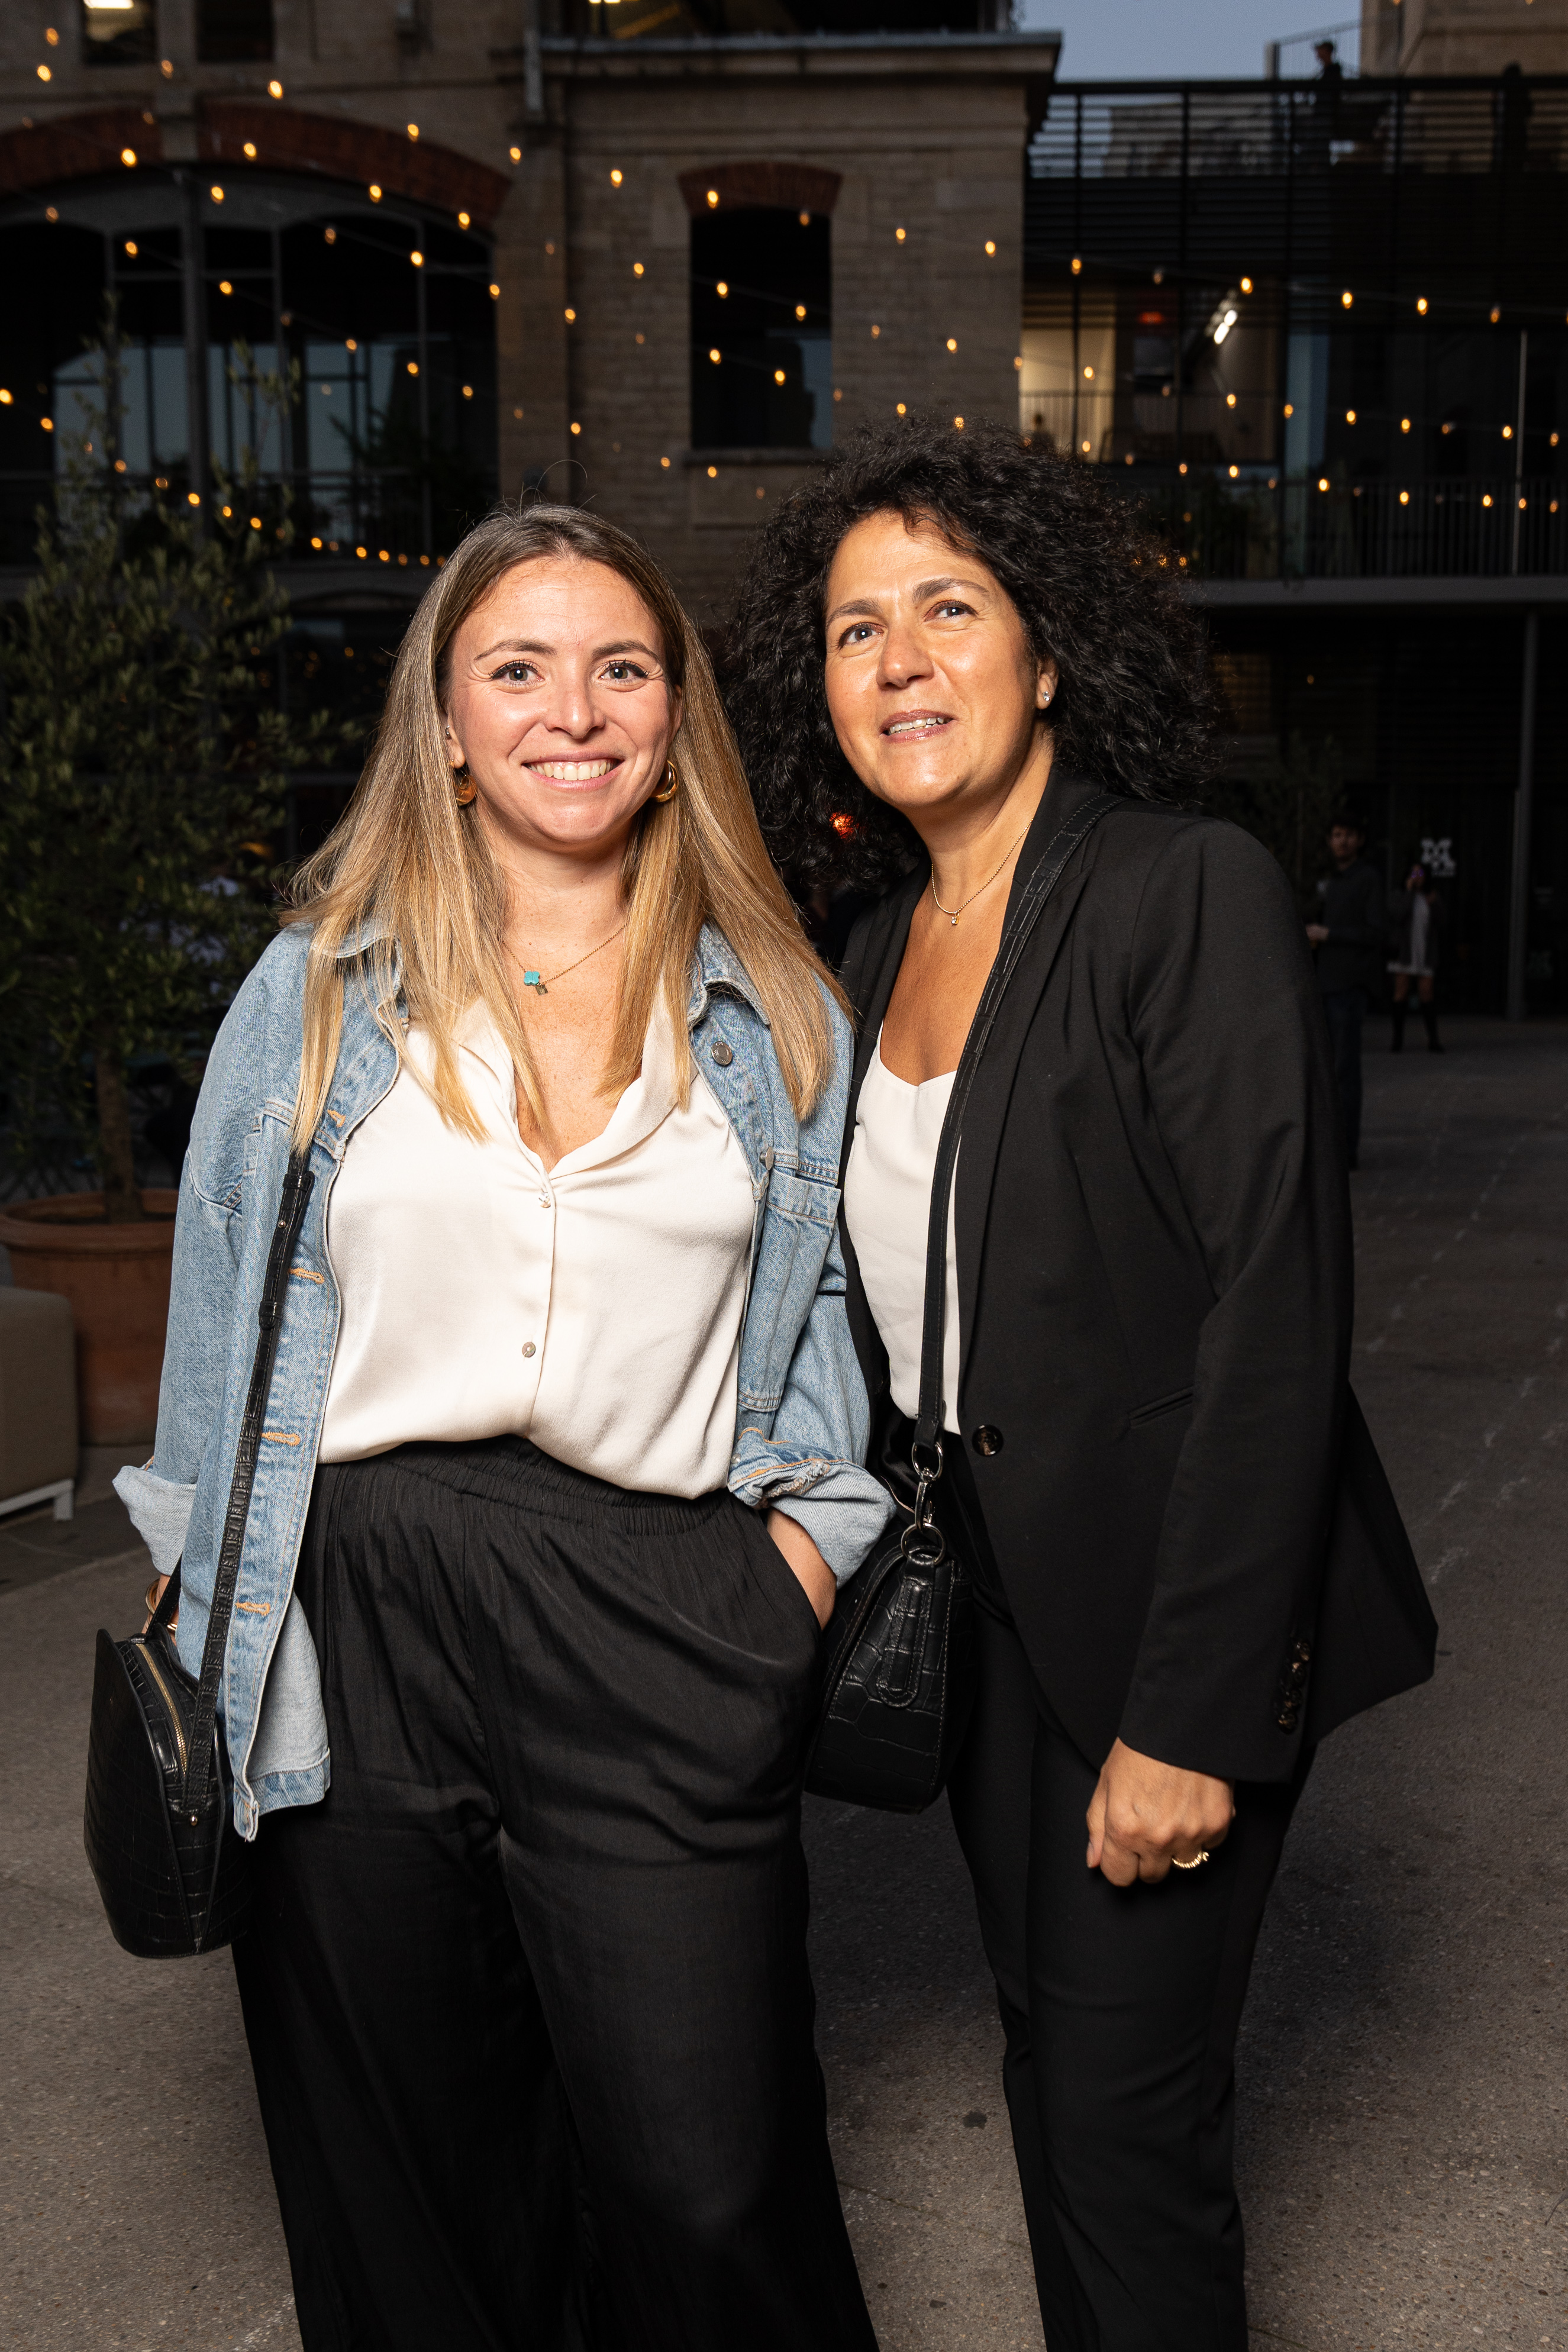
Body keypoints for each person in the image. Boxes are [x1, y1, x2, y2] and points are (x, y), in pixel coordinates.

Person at [114, 505, 891, 2352]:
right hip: (360, 1598)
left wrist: (785, 1576)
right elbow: (219, 1320)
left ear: (671, 720)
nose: (573, 708)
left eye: (620, 666)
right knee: (411, 2174)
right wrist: (213, 1613)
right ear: (449, 724)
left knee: (710, 2175)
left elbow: (825, 1339)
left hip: (661, 1597)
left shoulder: (777, 1005)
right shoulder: (317, 988)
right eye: (517, 667)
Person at [729, 417, 1437, 2352]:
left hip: (1162, 1619)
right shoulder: (872, 944)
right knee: (1055, 2066)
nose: (899, 658)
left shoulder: (1175, 888)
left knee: (1127, 2121)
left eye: (948, 608)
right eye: (857, 627)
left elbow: (1273, 1318)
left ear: (1045, 653)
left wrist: (1189, 1717)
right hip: (987, 1614)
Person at [1306, 810, 1387, 1169]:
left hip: (1349, 987)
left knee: (1344, 1072)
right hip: (1322, 986)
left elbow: (1376, 933)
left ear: (1360, 840)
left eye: (1349, 835)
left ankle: (1345, 1151)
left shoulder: (1368, 879)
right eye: (1337, 835)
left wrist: (1329, 934)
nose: (1343, 841)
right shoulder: (1327, 880)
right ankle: (1328, 1147)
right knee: (1323, 1073)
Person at [1388, 860, 1445, 1051]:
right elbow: (1398, 916)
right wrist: (1409, 893)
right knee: (1401, 992)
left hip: (1425, 951)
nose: (1417, 878)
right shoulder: (1400, 894)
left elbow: (1442, 922)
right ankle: (1397, 1040)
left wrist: (1434, 904)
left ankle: (1433, 1040)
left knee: (1427, 993)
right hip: (1404, 952)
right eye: (1414, 874)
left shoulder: (1431, 896)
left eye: (1421, 874)